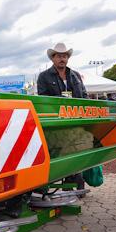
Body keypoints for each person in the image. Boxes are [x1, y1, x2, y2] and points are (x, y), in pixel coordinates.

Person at [37, 42, 88, 193]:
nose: (62, 59)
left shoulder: (75, 75)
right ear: (52, 58)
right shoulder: (44, 76)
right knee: (60, 152)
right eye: (59, 56)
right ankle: (59, 184)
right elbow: (43, 99)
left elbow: (84, 96)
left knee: (78, 150)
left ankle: (77, 183)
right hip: (56, 123)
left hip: (76, 121)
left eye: (65, 56)